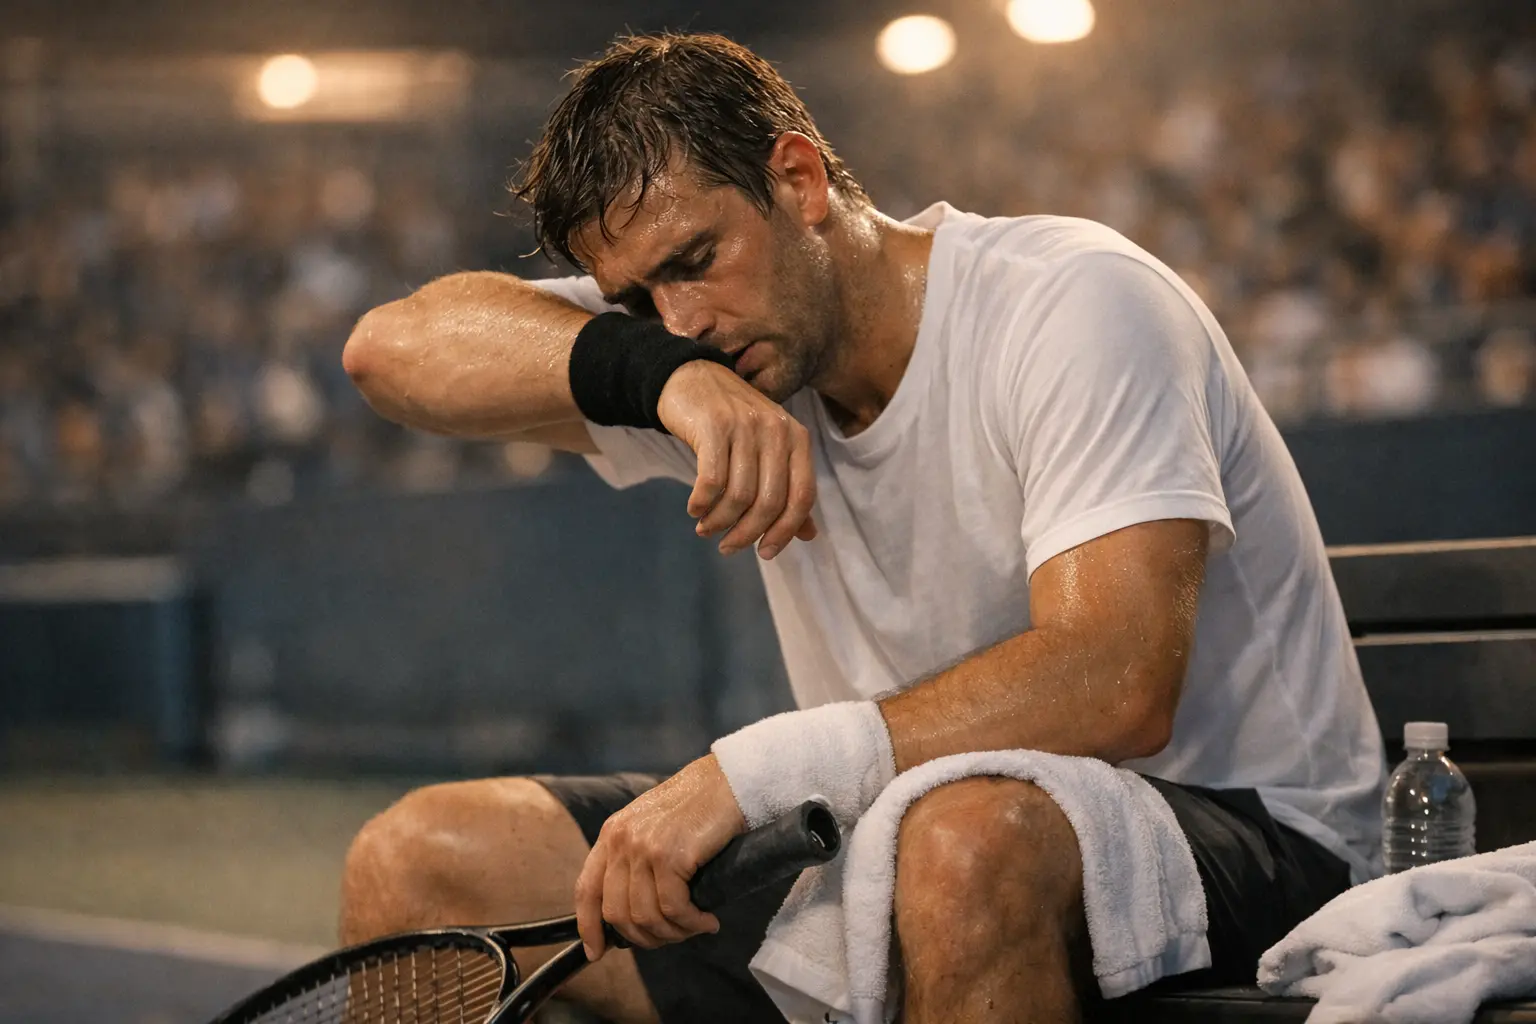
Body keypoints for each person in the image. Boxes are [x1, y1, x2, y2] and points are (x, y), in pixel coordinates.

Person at [336, 33, 1386, 1024]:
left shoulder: (1072, 302)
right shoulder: (718, 359)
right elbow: (389, 353)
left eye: (695, 258)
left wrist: (749, 776)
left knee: (964, 841)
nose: (681, 318)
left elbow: (1115, 678)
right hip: (889, 829)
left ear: (798, 180)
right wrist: (663, 384)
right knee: (417, 862)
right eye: (642, 300)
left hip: (1261, 841)